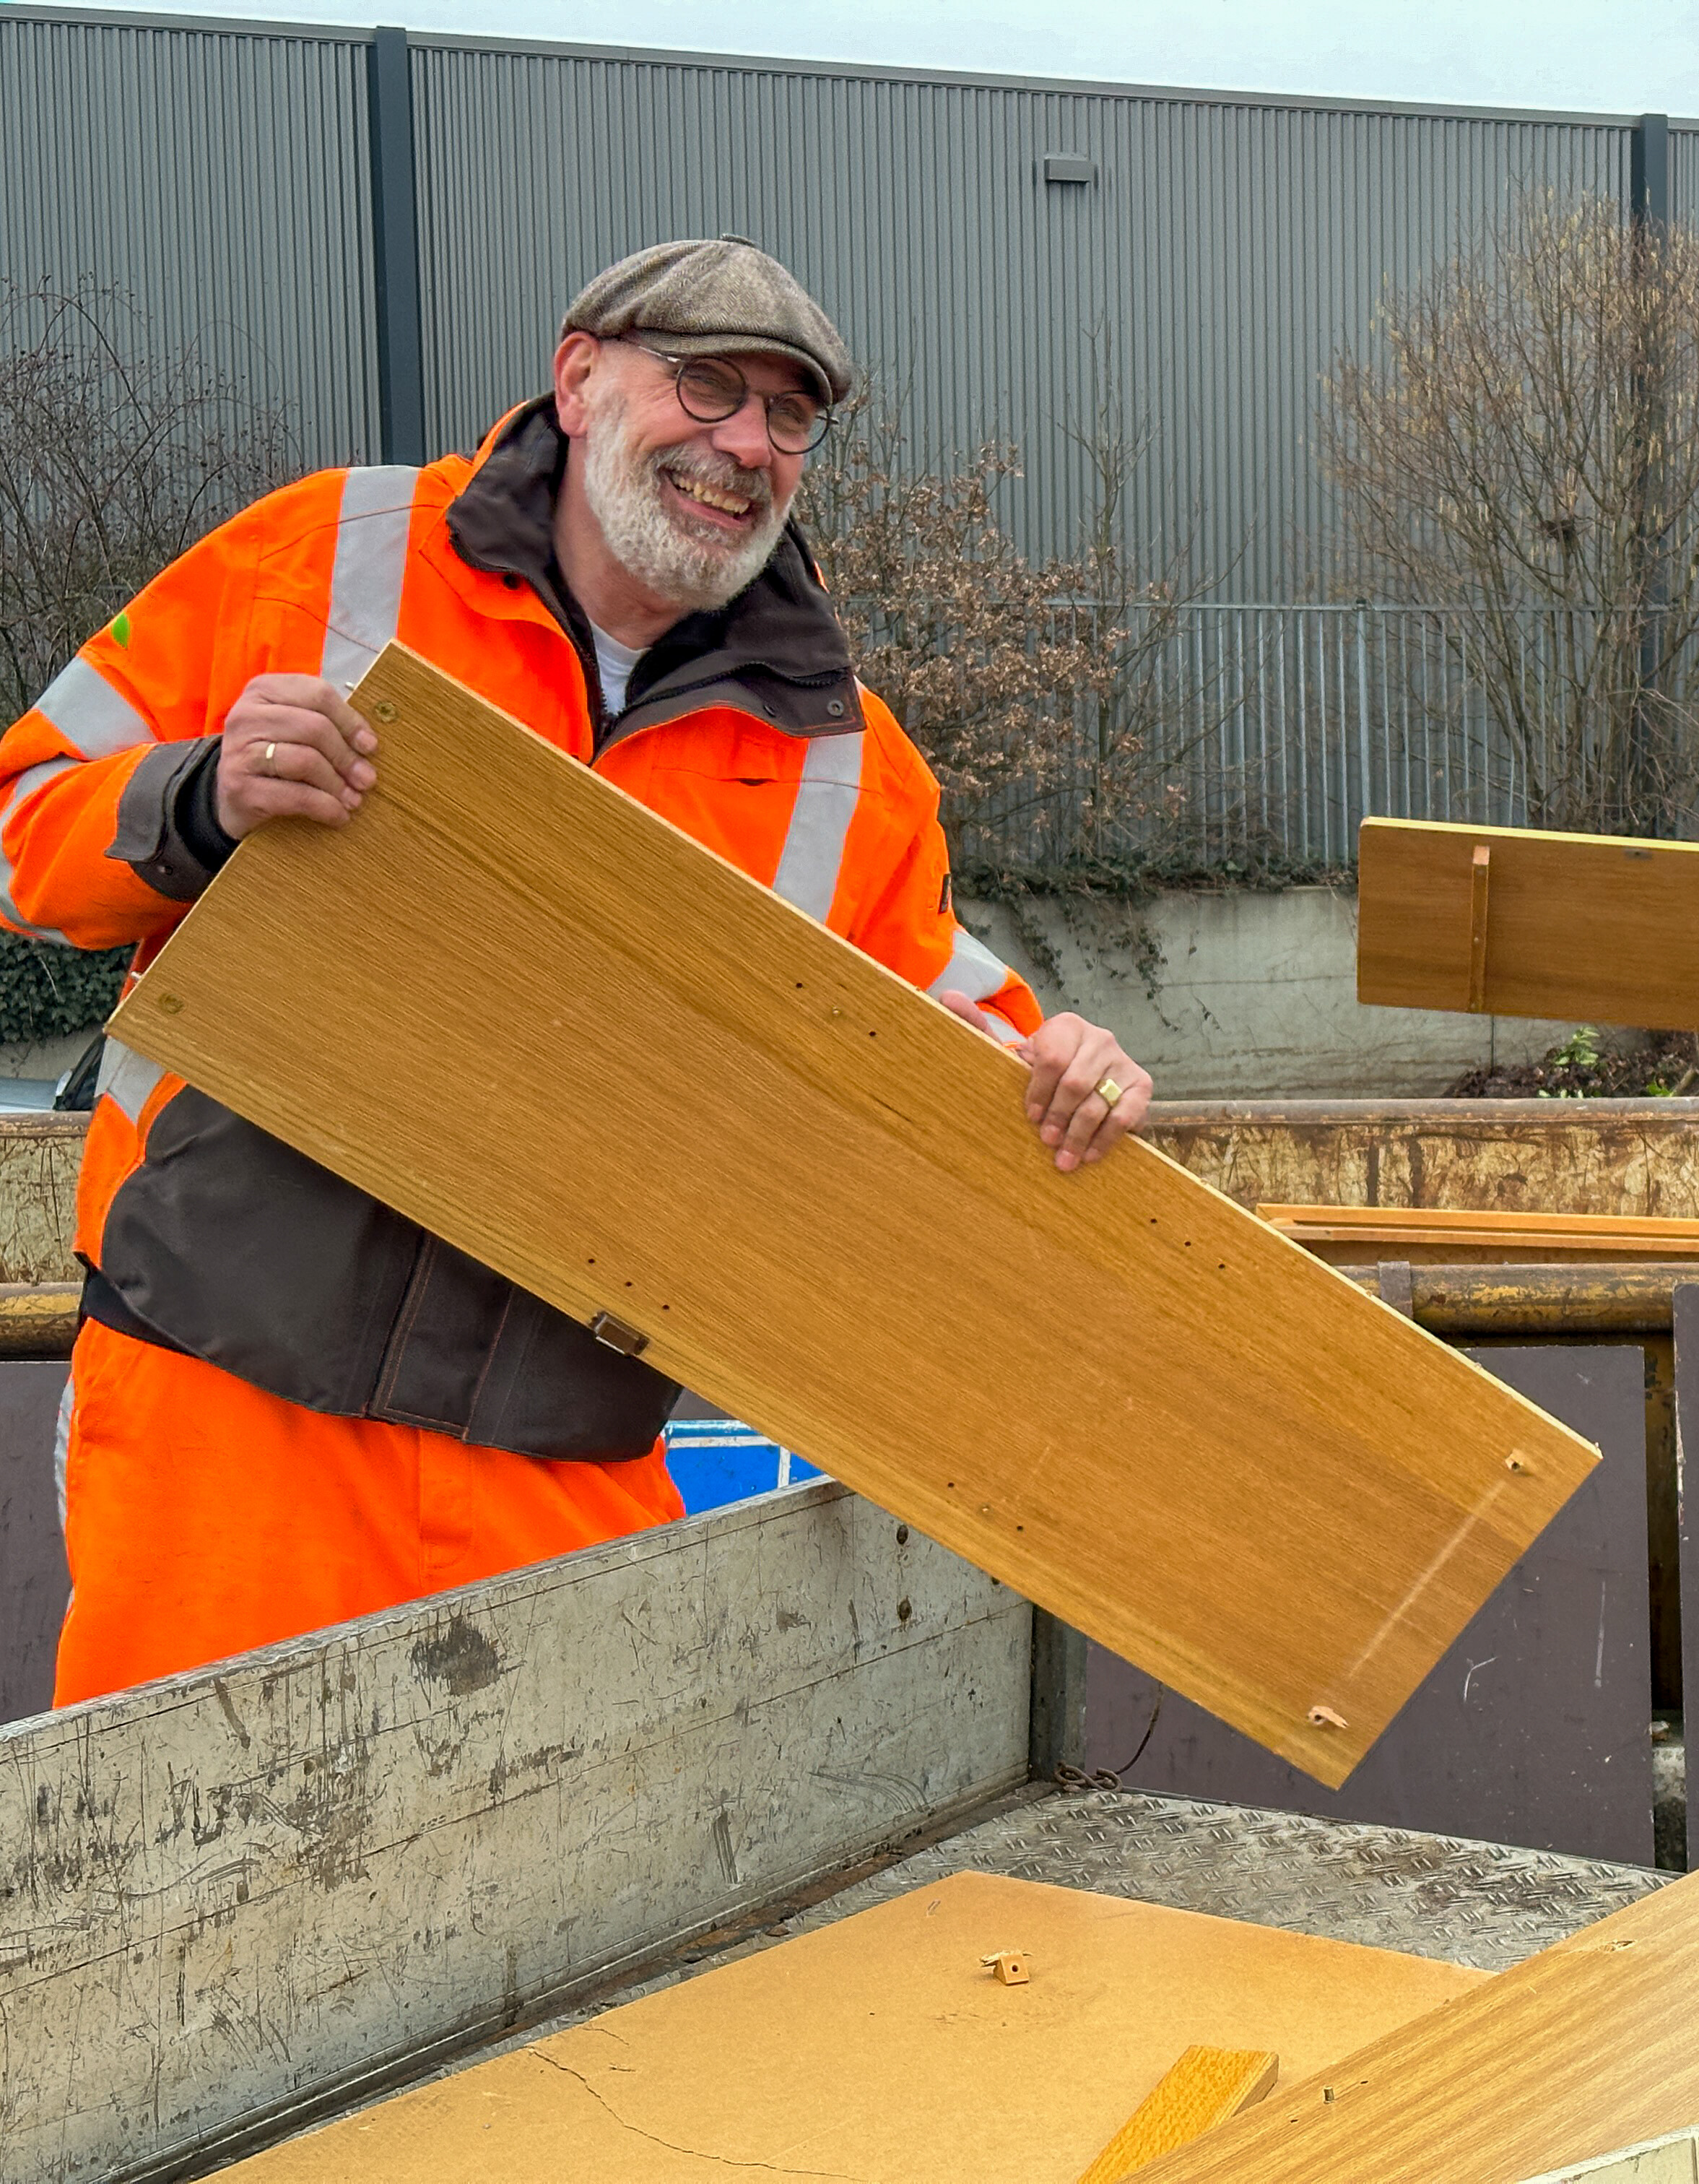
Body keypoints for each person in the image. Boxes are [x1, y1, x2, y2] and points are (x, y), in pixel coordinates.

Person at [0, 238, 1155, 1706]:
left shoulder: (846, 765)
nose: (744, 444)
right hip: (226, 1414)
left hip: (561, 1452)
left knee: (550, 1918)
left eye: (789, 417)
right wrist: (193, 799)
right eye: (709, 387)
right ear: (579, 376)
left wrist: (1063, 1068)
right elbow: (17, 827)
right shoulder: (327, 554)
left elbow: (957, 1056)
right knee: (188, 1903)